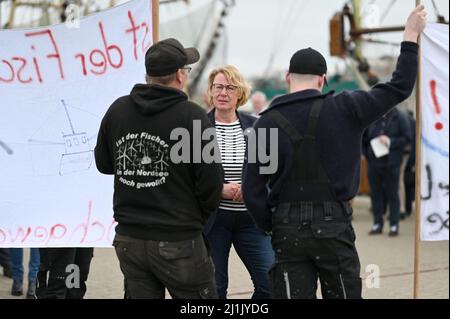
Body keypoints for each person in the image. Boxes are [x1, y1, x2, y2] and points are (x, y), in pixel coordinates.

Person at [242, 6, 426, 299]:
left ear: (288, 77)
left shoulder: (266, 122)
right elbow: (400, 87)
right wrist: (410, 34)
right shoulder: (347, 107)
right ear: (323, 79)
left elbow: (251, 188)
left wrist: (271, 223)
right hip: (334, 224)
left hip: (286, 229)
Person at [94, 38, 223, 299]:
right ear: (179, 74)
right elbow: (211, 182)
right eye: (187, 70)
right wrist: (197, 218)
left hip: (130, 238)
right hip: (178, 238)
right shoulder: (192, 116)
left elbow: (104, 163)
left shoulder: (118, 109)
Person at [204, 65, 275, 299]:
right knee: (215, 290)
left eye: (230, 87)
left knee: (271, 286)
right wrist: (218, 190)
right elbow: (186, 177)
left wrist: (252, 189)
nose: (223, 93)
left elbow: (271, 172)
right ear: (211, 91)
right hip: (213, 222)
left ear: (240, 93)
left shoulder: (258, 125)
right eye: (218, 87)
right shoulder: (197, 127)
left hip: (251, 220)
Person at [363, 108, 411, 236]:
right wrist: (367, 154)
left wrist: (390, 141)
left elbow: (407, 138)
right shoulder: (372, 116)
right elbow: (364, 139)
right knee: (375, 194)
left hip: (392, 163)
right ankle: (377, 223)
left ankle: (394, 225)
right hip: (373, 163)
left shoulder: (399, 117)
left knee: (392, 193)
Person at [401, 110, 416, 219]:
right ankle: (408, 208)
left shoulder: (406, 123)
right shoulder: (415, 124)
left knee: (406, 184)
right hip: (411, 158)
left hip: (405, 157)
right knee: (409, 185)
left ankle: (407, 208)